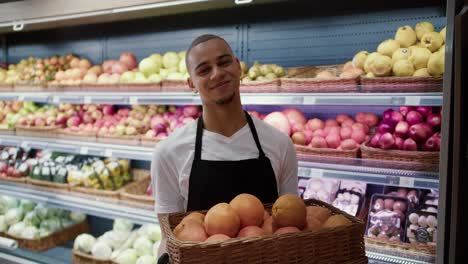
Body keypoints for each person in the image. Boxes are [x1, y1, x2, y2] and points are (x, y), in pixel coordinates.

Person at [152, 34, 298, 262]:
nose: (217, 73)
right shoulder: (169, 153)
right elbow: (168, 238)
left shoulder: (279, 144)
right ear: (191, 83)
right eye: (203, 70)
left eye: (224, 62)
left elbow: (292, 222)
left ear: (238, 67)